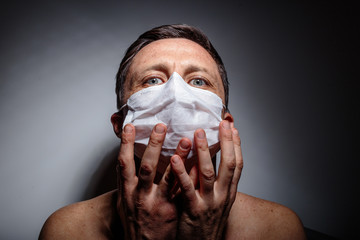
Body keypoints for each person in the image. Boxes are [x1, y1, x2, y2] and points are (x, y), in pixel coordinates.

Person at [39, 24, 306, 239]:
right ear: (120, 124)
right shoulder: (67, 231)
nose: (176, 92)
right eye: (153, 80)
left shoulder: (277, 229)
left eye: (198, 81)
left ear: (225, 123)